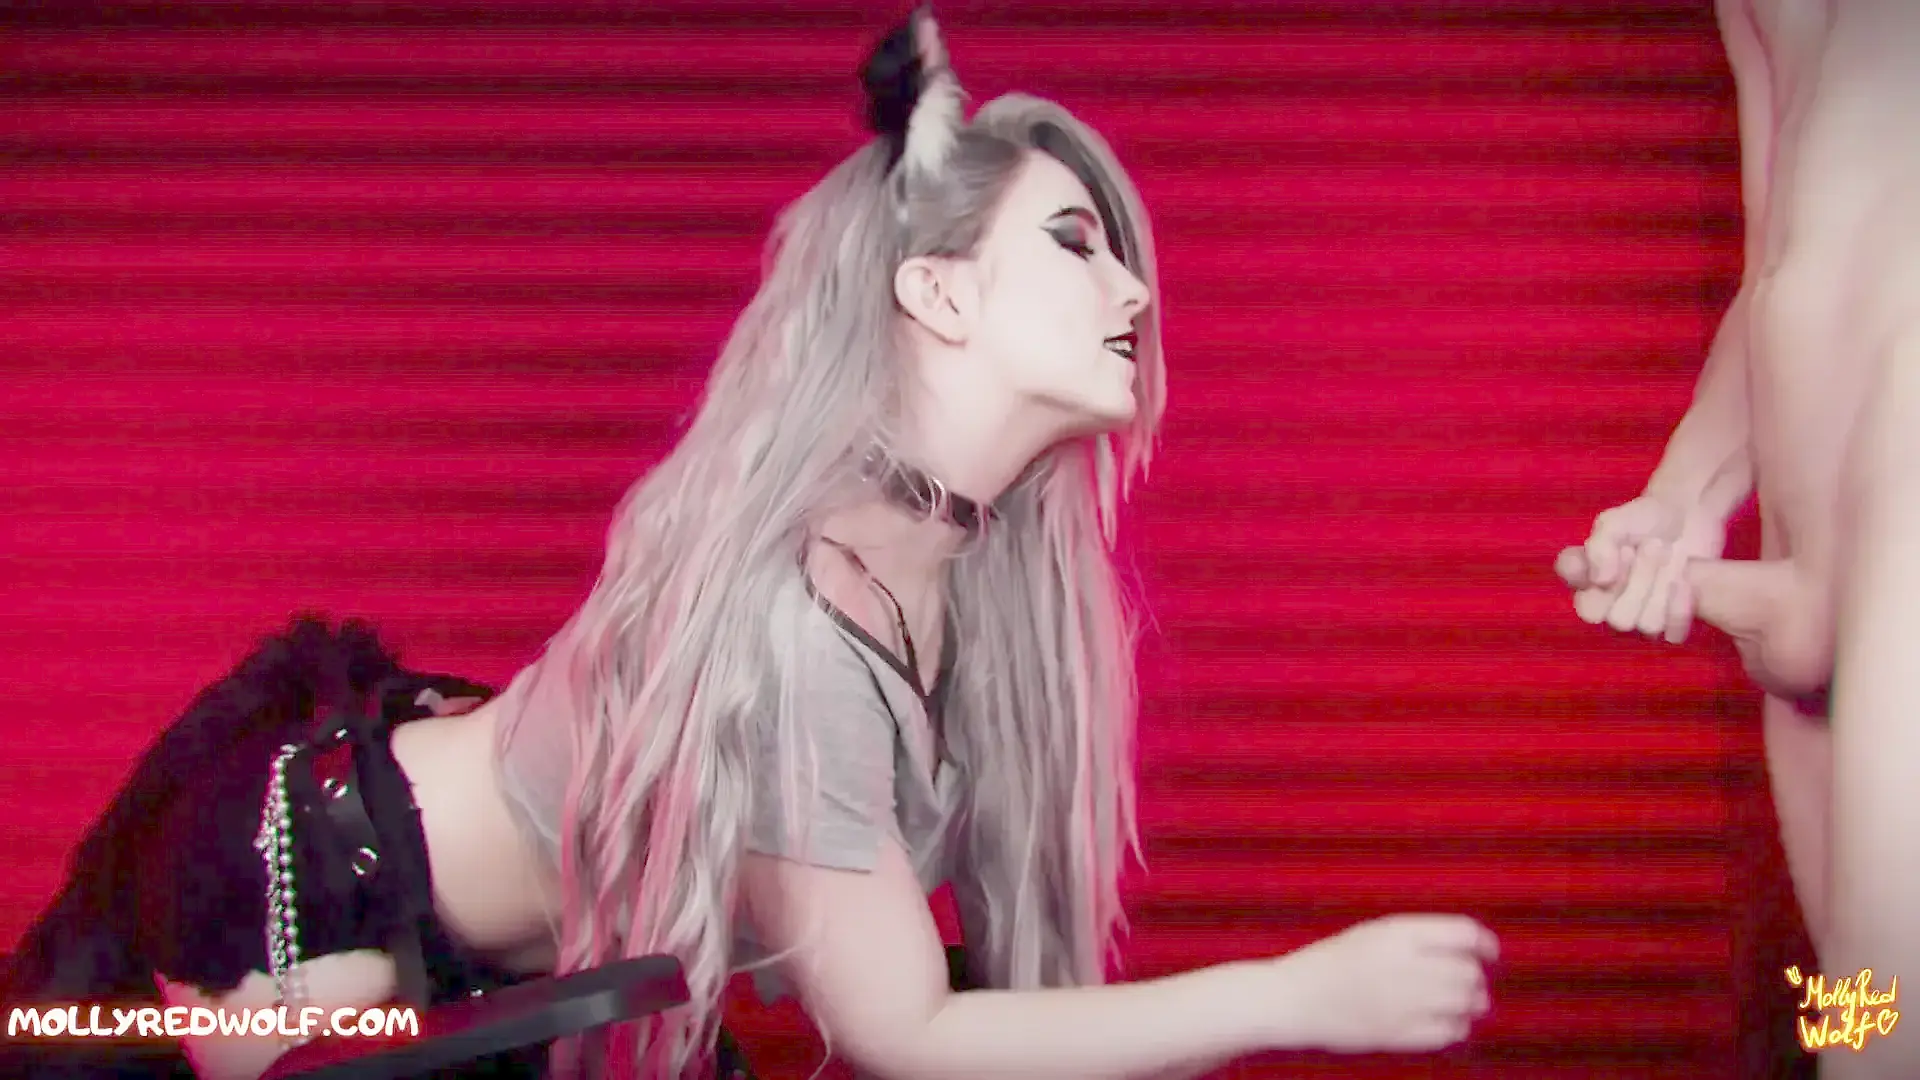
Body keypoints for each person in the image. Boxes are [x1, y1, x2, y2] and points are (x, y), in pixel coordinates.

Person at [5, 9, 1499, 1078]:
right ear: (938, 295)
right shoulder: (802, 631)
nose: (1136, 291)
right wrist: (1292, 995)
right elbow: (909, 1035)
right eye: (1073, 242)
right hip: (303, 882)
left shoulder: (965, 584)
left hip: (508, 964)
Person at [1557, 2, 1920, 1074]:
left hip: (1903, 465)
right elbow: (1781, 247)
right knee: (1852, 1008)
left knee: (1887, 1019)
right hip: (1805, 530)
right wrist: (1687, 493)